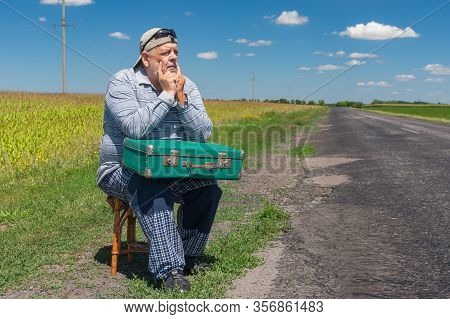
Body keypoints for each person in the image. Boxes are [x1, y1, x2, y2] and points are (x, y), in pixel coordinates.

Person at [96, 27, 222, 292]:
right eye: (165, 53)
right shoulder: (122, 82)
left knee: (207, 188)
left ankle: (188, 257)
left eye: (176, 52)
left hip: (172, 168)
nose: (173, 58)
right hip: (121, 169)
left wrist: (181, 99)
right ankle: (170, 270)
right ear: (146, 59)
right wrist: (166, 95)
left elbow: (202, 134)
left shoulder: (187, 85)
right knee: (152, 183)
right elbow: (134, 129)